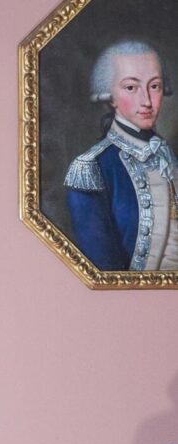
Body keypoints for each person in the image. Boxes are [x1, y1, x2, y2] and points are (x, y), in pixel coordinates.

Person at [64, 40, 178, 272]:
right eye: (131, 88)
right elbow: (103, 270)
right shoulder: (92, 167)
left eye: (154, 86)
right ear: (110, 96)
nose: (147, 101)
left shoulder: (169, 158)